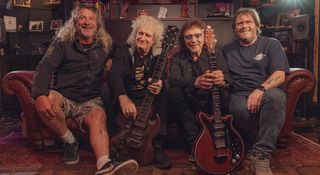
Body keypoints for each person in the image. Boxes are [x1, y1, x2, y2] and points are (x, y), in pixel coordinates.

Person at [31, 5, 138, 175]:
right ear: (75, 22)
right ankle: (70, 141)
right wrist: (39, 94)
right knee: (48, 100)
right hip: (63, 95)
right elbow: (45, 66)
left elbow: (122, 51)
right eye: (82, 18)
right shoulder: (62, 42)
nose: (87, 22)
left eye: (91, 19)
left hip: (90, 99)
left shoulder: (106, 44)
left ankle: (105, 165)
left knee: (98, 116)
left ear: (98, 24)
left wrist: (115, 64)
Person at [221, 8, 290, 175]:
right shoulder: (226, 50)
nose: (244, 26)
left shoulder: (271, 44)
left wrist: (260, 89)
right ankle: (252, 143)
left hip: (266, 91)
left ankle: (260, 155)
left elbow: (280, 74)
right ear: (235, 29)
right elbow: (224, 76)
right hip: (238, 94)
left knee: (276, 97)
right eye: (240, 23)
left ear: (257, 25)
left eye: (248, 22)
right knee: (239, 109)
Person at [104, 15, 172, 169]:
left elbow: (161, 74)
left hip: (148, 99)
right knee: (107, 89)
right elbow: (114, 74)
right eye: (140, 33)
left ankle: (157, 146)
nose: (142, 37)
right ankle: (116, 138)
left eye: (148, 35)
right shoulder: (123, 50)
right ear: (134, 35)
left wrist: (160, 83)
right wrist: (122, 97)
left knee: (165, 90)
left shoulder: (158, 55)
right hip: (128, 99)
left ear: (154, 40)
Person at [168, 19, 232, 162]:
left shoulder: (215, 54)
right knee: (174, 93)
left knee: (222, 93)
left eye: (197, 35)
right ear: (183, 40)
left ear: (204, 37)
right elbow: (172, 79)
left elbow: (229, 77)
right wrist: (195, 82)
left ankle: (222, 140)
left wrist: (222, 79)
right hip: (190, 103)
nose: (193, 40)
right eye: (188, 37)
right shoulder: (178, 58)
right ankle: (194, 144)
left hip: (212, 101)